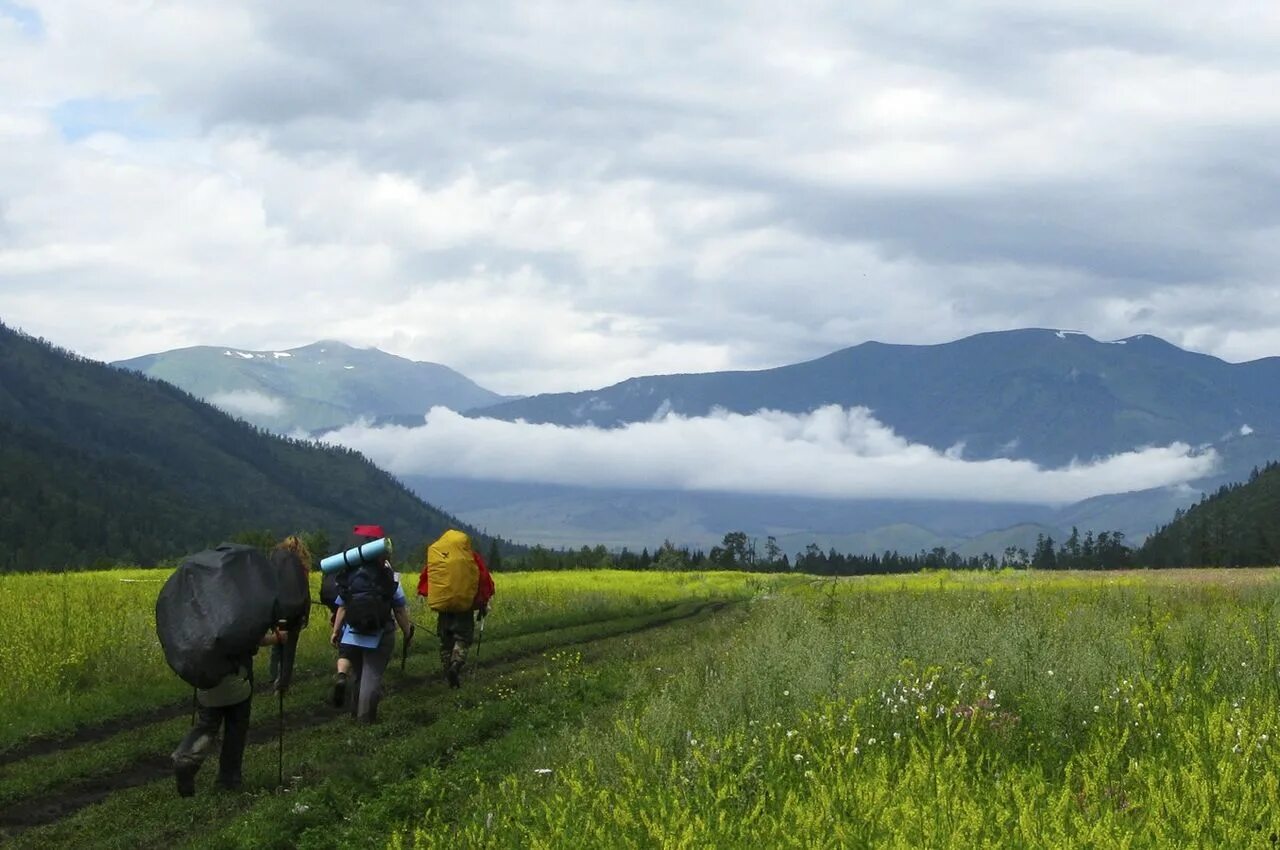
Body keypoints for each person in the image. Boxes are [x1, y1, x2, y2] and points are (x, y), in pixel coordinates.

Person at [172, 625, 287, 796]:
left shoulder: (199, 605)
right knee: (236, 727)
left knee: (207, 725)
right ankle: (228, 780)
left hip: (206, 677)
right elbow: (253, 638)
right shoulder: (239, 607)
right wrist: (277, 638)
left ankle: (186, 756)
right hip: (237, 676)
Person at [329, 524, 414, 722]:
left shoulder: (350, 576)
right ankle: (365, 720)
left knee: (358, 674)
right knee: (372, 675)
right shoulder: (387, 576)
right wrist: (407, 631)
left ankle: (354, 714)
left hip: (354, 631)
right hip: (380, 631)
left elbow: (342, 607)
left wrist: (336, 631)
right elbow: (399, 609)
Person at [418, 531, 495, 688]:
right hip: (464, 608)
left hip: (444, 607)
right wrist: (483, 602)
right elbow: (483, 579)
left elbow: (428, 577)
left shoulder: (440, 558)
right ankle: (455, 665)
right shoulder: (470, 557)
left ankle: (448, 674)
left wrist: (425, 593)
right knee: (463, 638)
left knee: (445, 641)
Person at [268, 534, 312, 694]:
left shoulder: (276, 562)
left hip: (278, 610)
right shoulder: (301, 567)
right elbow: (305, 593)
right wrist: (305, 614)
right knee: (289, 648)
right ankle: (282, 686)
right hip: (295, 613)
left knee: (276, 644)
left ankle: (273, 678)